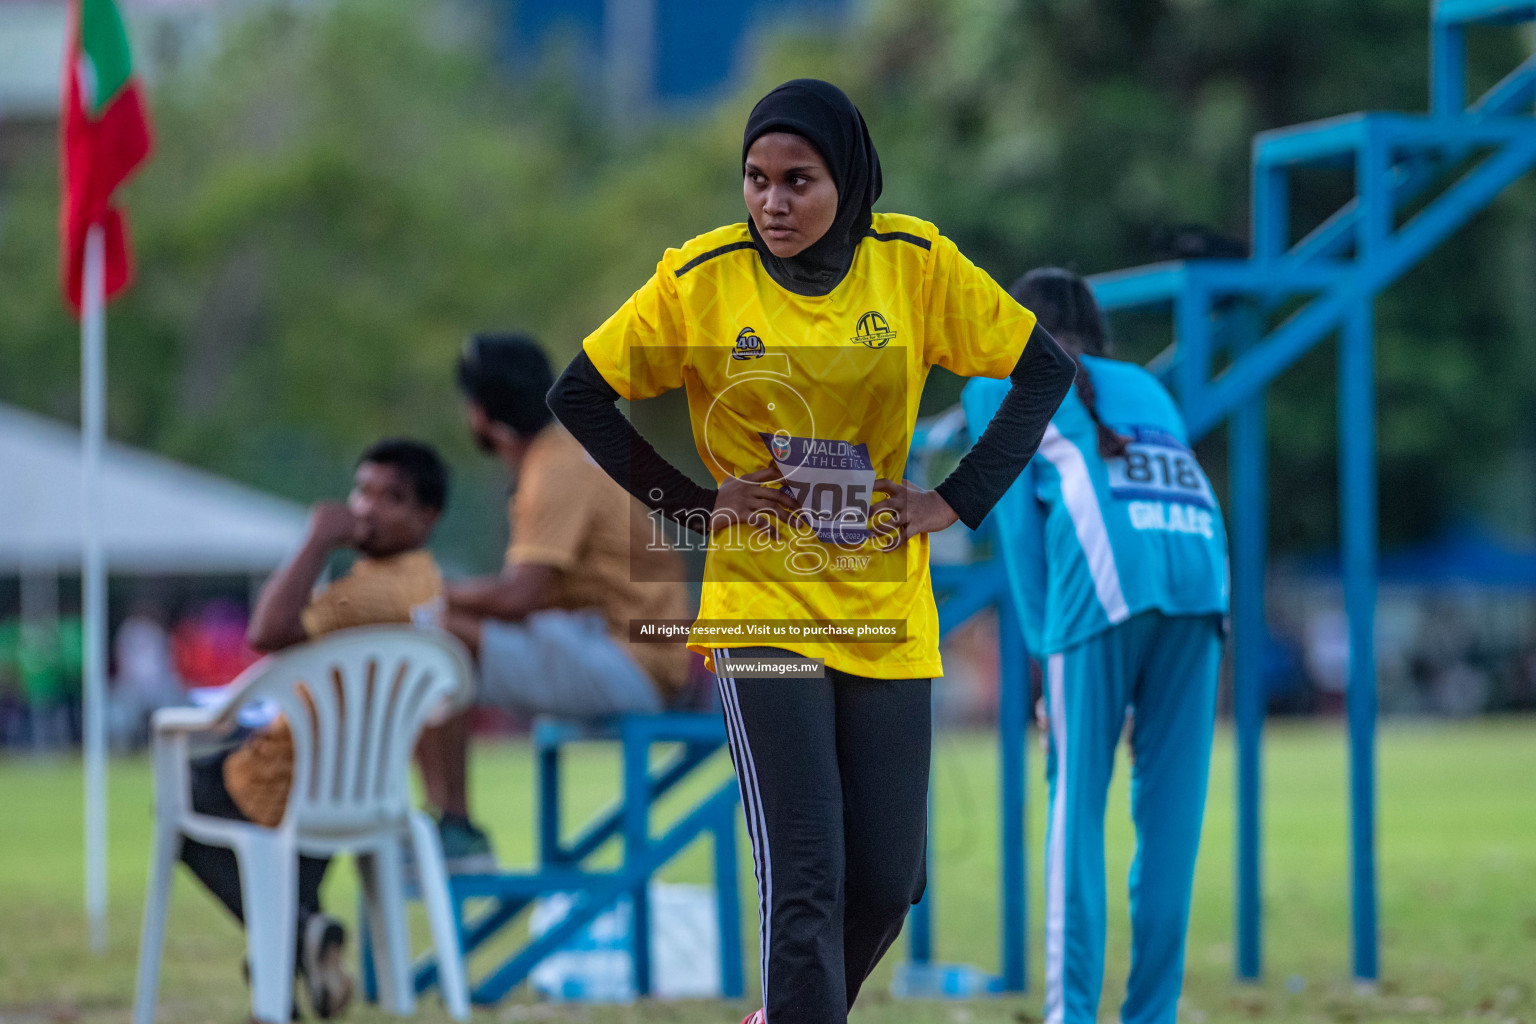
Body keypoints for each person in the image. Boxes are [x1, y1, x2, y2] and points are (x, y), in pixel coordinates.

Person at [546, 79, 1076, 1024]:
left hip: (884, 611)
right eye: (755, 179)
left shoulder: (913, 264)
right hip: (762, 609)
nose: (772, 203)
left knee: (886, 877)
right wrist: (695, 505)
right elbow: (580, 393)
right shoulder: (702, 279)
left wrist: (955, 500)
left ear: (851, 184)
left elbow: (1044, 370)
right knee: (806, 875)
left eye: (799, 180)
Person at [963, 268, 1230, 1024]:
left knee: (1075, 809)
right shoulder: (1149, 388)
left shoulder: (998, 386)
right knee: (1171, 821)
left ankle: (1070, 1015)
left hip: (1106, 585)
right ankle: (1153, 1014)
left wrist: (1050, 659)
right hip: (1202, 580)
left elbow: (1020, 539)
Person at [178, 438, 449, 1020]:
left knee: (184, 792)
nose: (368, 508)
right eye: (363, 491)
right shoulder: (423, 580)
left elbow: (267, 630)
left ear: (428, 517)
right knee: (288, 861)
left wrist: (317, 537)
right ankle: (284, 979)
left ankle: (296, 939)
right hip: (361, 786)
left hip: (291, 777)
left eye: (391, 498)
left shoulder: (369, 593)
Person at [411, 333, 691, 870]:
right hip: (630, 646)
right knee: (434, 623)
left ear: (480, 414)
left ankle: (456, 828)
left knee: (431, 631)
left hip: (630, 663)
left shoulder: (554, 468)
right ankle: (448, 822)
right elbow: (536, 596)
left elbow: (519, 597)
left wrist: (427, 595)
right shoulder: (567, 453)